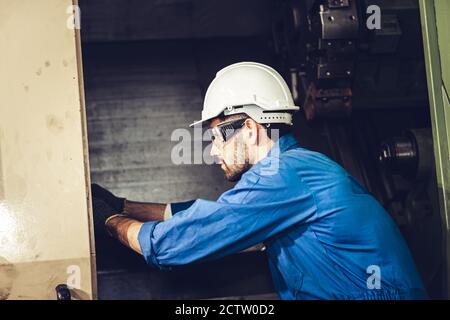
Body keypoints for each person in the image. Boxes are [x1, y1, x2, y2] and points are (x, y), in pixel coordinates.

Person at [92, 62, 426, 300]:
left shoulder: (284, 175)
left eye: (218, 139)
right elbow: (211, 215)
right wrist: (125, 206)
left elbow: (170, 245)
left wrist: (109, 221)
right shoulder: (292, 170)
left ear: (250, 129)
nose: (214, 152)